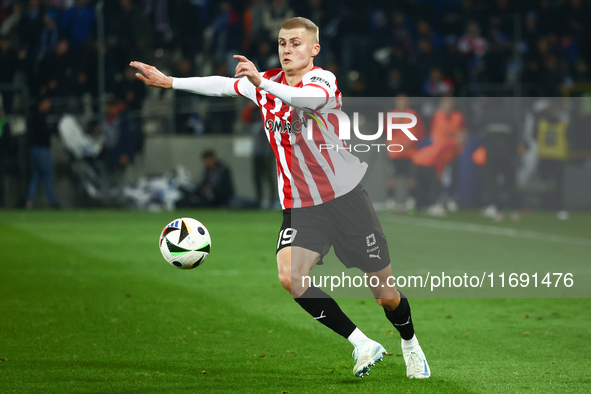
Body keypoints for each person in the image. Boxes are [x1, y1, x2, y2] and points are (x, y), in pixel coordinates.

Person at [130, 17, 430, 379]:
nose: (287, 49)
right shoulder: (266, 82)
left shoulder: (323, 81)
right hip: (301, 206)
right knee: (291, 277)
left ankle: (411, 344)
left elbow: (305, 98)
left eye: (296, 43)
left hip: (346, 199)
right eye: (282, 43)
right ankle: (362, 343)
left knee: (385, 294)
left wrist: (260, 85)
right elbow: (223, 85)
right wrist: (170, 81)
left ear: (314, 49)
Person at [26, 97, 59, 209]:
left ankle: (29, 201)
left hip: (34, 149)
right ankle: (52, 202)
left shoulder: (33, 117)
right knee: (48, 175)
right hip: (41, 149)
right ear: (40, 104)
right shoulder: (39, 118)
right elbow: (43, 134)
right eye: (46, 103)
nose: (48, 105)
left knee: (36, 176)